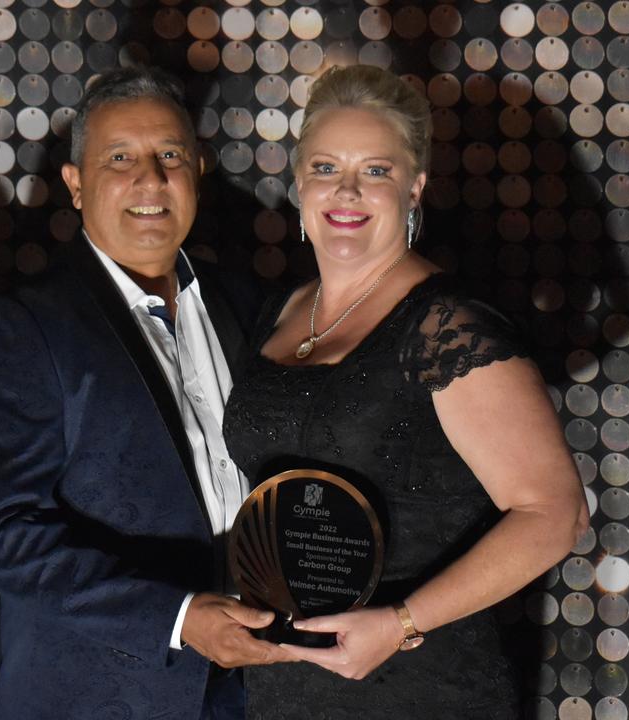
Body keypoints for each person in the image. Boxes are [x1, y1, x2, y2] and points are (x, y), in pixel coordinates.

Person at [221, 64, 589, 718]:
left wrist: (403, 622)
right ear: (300, 180)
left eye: (377, 172)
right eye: (328, 168)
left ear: (415, 186)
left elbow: (555, 515)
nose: (348, 191)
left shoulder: (444, 327)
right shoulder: (277, 313)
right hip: (286, 690)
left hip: (422, 687)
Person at [0, 65, 289, 719]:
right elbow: (2, 535)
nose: (150, 180)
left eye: (169, 156)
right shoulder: (20, 329)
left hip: (255, 698)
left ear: (197, 169)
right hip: (96, 699)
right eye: (120, 158)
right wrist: (181, 616)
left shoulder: (251, 307)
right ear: (75, 185)